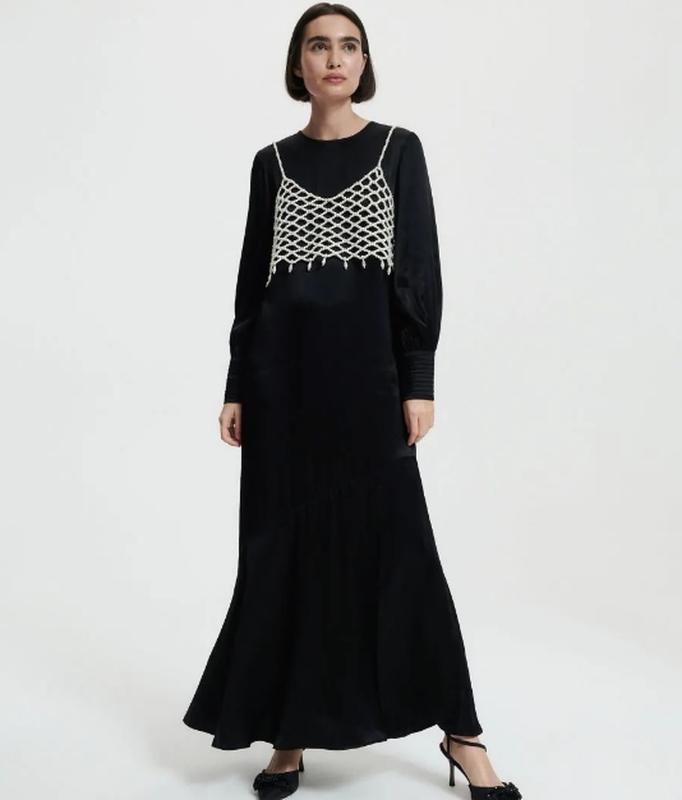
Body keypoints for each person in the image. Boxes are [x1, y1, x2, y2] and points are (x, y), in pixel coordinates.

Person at [182, 4, 522, 799]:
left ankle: (462, 733)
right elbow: (251, 284)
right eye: (318, 45)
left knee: (403, 553)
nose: (334, 58)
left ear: (363, 63)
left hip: (368, 384)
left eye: (348, 46)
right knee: (282, 551)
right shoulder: (270, 163)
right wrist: (237, 385)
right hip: (281, 387)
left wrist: (417, 378)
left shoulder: (399, 149)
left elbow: (418, 269)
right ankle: (290, 732)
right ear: (298, 64)